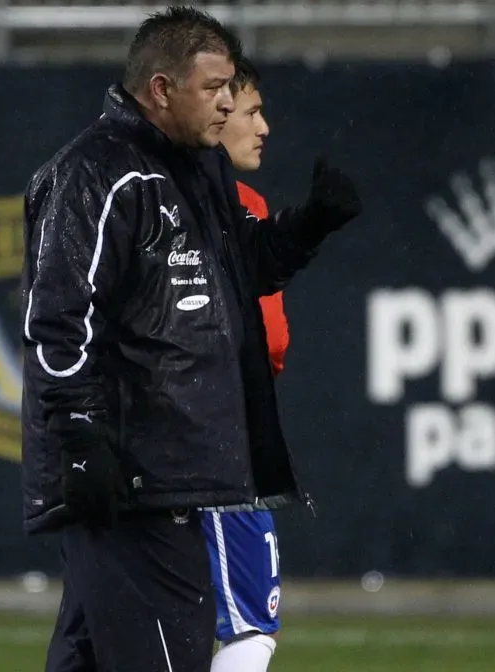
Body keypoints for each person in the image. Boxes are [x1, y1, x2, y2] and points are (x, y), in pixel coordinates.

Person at [20, 6, 361, 672]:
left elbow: (246, 266)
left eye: (232, 85)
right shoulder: (98, 174)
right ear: (161, 90)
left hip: (175, 468)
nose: (231, 102)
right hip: (132, 477)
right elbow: (60, 319)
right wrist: (82, 437)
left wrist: (311, 224)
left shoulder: (199, 167)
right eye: (215, 88)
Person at [205, 56, 288, 672]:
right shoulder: (199, 203)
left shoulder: (247, 201)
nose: (263, 127)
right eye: (252, 112)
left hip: (225, 432)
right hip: (209, 441)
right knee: (250, 627)